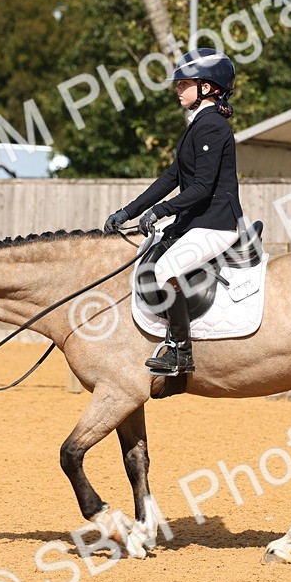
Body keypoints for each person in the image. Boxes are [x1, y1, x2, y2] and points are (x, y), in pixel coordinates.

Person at [102, 48, 243, 376]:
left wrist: (160, 211)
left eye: (184, 83)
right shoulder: (198, 125)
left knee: (166, 270)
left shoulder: (211, 127)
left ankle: (180, 351)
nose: (177, 88)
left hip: (217, 223)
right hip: (197, 222)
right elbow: (172, 178)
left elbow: (202, 188)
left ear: (206, 87)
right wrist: (128, 212)